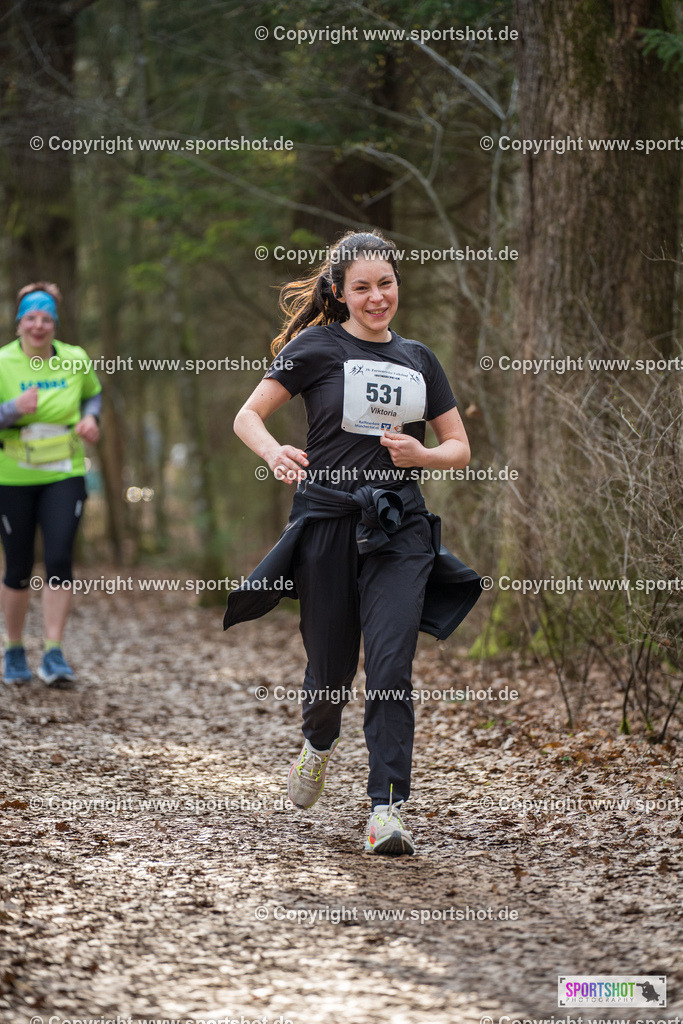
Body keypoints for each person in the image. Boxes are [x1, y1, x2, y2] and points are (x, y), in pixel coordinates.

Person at [225, 230, 481, 855]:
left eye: (386, 284)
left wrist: (424, 454)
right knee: (331, 669)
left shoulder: (419, 358)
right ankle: (317, 741)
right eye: (362, 287)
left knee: (391, 664)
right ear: (338, 292)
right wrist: (275, 452)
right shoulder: (317, 346)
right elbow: (247, 415)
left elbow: (460, 448)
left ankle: (386, 809)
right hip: (329, 524)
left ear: (398, 284)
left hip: (399, 528)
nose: (376, 297)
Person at [0, 282, 102, 687]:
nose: (38, 326)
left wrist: (91, 418)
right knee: (19, 564)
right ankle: (13, 651)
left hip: (65, 473)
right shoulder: (3, 361)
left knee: (59, 559)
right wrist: (11, 409)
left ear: (55, 323)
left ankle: (54, 653)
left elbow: (93, 396)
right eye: (31, 318)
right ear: (19, 322)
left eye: (46, 319)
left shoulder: (75, 358)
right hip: (13, 476)